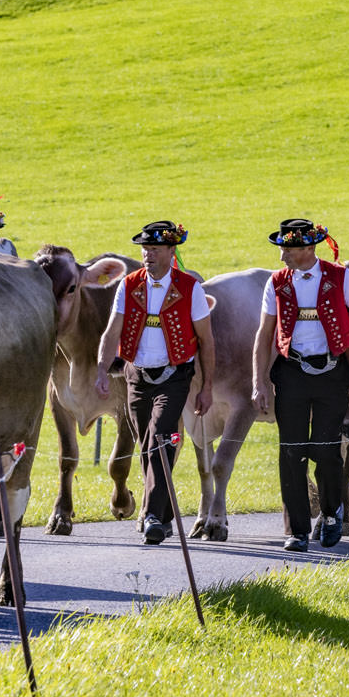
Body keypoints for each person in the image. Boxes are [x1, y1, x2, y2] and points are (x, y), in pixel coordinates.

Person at [251, 218, 349, 551]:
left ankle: (332, 512)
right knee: (291, 451)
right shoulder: (276, 282)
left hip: (333, 373)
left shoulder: (341, 277)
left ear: (308, 248)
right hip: (291, 372)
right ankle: (297, 530)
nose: (282, 256)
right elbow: (264, 333)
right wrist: (258, 381)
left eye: (287, 249)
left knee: (326, 449)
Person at [94, 221, 216, 545]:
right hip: (136, 376)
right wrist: (102, 370)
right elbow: (112, 331)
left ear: (171, 250)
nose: (148, 255)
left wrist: (206, 388)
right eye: (145, 249)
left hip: (174, 377)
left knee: (161, 439)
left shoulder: (190, 289)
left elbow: (206, 341)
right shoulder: (128, 285)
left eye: (155, 249)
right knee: (147, 445)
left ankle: (150, 516)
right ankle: (165, 515)